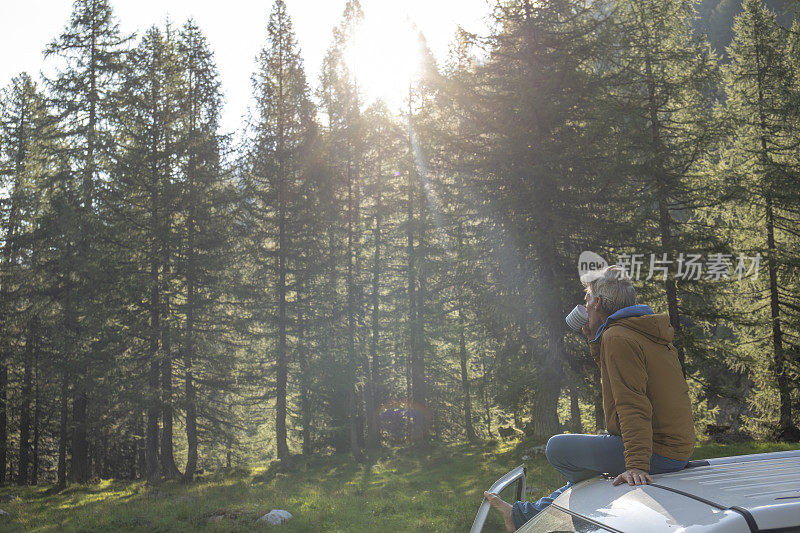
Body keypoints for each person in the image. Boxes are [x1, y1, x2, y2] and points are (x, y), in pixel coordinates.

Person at [485, 265, 695, 532]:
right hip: (675, 447)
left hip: (659, 452)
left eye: (586, 299)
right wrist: (596, 343)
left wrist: (636, 466)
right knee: (587, 465)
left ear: (597, 303)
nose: (583, 305)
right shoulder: (638, 331)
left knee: (558, 449)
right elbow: (622, 380)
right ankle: (522, 516)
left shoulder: (618, 336)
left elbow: (632, 404)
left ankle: (586, 503)